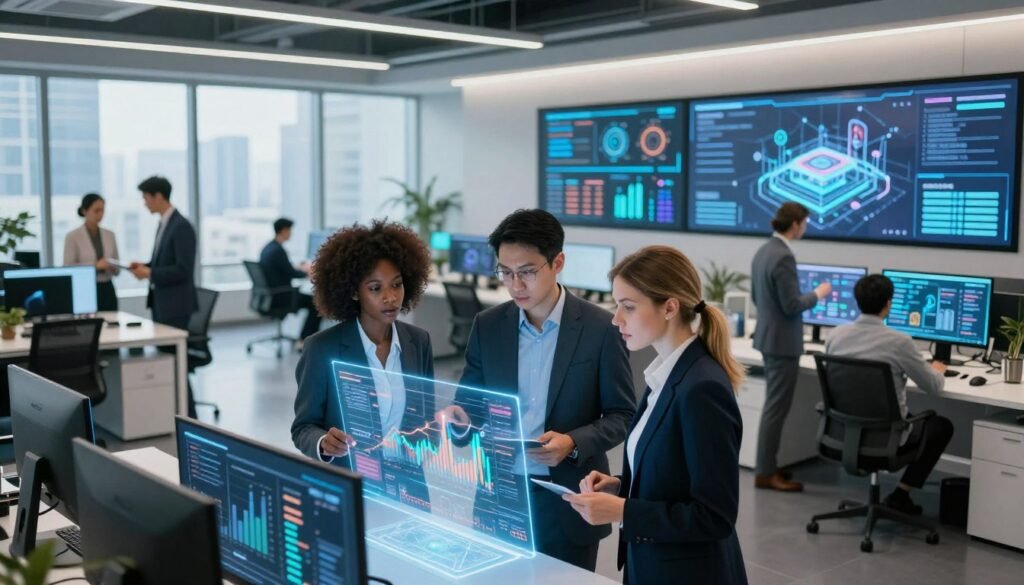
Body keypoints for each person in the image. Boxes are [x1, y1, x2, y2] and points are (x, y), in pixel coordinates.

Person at [435, 209, 636, 572]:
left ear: (557, 262)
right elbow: (470, 404)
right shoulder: (489, 325)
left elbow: (622, 415)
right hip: (500, 494)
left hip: (567, 498)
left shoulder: (600, 328)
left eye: (526, 272)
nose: (515, 286)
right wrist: (459, 420)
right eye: (505, 272)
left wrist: (572, 444)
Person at [563, 245, 747, 585]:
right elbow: (673, 475)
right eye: (616, 306)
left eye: (628, 307)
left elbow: (714, 516)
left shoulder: (701, 388)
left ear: (670, 308)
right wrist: (621, 487)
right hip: (653, 563)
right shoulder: (663, 375)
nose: (616, 319)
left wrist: (622, 510)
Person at [291, 220, 435, 471]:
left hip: (407, 483)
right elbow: (303, 428)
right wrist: (323, 442)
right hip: (351, 482)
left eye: (397, 284)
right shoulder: (322, 348)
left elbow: (426, 419)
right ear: (355, 292)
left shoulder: (418, 341)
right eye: (375, 288)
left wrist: (429, 443)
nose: (390, 297)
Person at [825, 274, 954, 515]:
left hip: (844, 433)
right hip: (886, 440)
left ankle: (898, 496)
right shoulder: (899, 342)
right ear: (888, 304)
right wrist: (937, 368)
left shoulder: (835, 336)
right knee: (941, 426)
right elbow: (934, 387)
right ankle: (901, 494)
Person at [750, 202, 832, 492]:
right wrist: (818, 294)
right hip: (782, 344)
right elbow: (792, 305)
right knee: (776, 410)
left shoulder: (763, 251)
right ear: (795, 223)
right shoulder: (783, 256)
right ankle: (766, 472)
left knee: (774, 407)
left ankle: (766, 468)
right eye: (805, 223)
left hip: (768, 338)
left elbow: (758, 298)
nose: (805, 228)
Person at [128, 176, 198, 418]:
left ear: (158, 196)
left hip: (176, 306)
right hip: (162, 303)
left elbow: (182, 269)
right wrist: (146, 266)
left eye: (146, 197)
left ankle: (190, 415)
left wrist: (150, 272)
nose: (144, 203)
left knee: (177, 363)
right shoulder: (164, 224)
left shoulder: (182, 226)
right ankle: (178, 412)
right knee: (170, 361)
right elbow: (164, 262)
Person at [258, 218, 320, 342]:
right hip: (282, 296)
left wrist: (299, 268)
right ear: (284, 230)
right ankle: (304, 340)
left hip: (270, 295)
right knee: (317, 304)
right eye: (290, 230)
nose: (291, 233)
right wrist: (308, 274)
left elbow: (284, 268)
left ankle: (304, 339)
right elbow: (291, 273)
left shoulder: (269, 247)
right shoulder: (278, 251)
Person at [63, 193, 120, 311]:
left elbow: (117, 265)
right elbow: (67, 267)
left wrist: (113, 267)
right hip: (85, 288)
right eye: (96, 210)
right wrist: (95, 266)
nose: (100, 214)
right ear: (85, 211)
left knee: (112, 323)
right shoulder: (73, 236)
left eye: (103, 210)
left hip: (107, 288)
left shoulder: (110, 235)